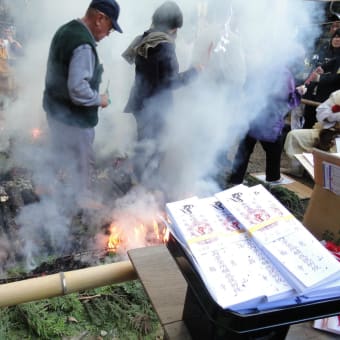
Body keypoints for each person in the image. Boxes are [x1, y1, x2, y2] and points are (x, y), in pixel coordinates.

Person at [43, 0, 122, 207]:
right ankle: (82, 201)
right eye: (110, 27)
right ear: (100, 19)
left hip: (55, 111)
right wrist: (100, 99)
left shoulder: (66, 29)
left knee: (59, 149)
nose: (108, 33)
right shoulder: (84, 45)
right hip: (74, 120)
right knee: (82, 162)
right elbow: (77, 89)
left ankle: (46, 187)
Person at [122, 1, 202, 187]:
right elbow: (170, 81)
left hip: (140, 103)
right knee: (155, 148)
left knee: (144, 146)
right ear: (174, 27)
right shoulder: (164, 44)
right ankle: (146, 190)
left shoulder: (146, 38)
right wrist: (194, 72)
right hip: (155, 107)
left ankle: (138, 184)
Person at [228, 68, 302, 185]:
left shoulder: (260, 65)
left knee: (245, 149)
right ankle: (273, 178)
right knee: (274, 149)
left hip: (251, 113)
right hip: (269, 117)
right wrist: (299, 93)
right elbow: (287, 97)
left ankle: (236, 179)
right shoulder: (284, 73)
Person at [283, 89, 340, 176]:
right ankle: (297, 170)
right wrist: (335, 116)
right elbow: (321, 112)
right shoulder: (337, 95)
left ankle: (329, 179)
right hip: (326, 131)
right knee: (294, 135)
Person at [302, 28, 340, 128]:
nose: (337, 39)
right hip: (312, 95)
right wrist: (305, 85)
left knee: (322, 130)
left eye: (339, 37)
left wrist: (320, 78)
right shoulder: (324, 52)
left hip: (328, 100)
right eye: (335, 37)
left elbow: (338, 78)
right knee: (307, 124)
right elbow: (313, 69)